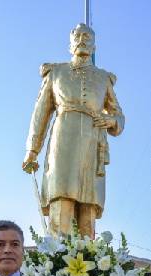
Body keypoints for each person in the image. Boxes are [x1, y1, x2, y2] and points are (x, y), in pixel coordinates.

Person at [23, 23, 125, 237]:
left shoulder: (104, 78)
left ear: (94, 46)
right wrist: (32, 151)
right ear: (70, 45)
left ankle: (90, 264)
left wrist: (111, 120)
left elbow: (119, 116)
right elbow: (40, 113)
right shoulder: (55, 72)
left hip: (93, 142)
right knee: (62, 199)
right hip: (63, 139)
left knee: (88, 207)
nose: (82, 40)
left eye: (87, 36)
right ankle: (57, 261)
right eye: (77, 36)